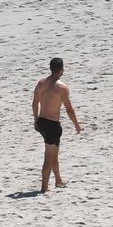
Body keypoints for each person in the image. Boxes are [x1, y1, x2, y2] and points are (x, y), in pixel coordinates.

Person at [33, 56, 82, 192]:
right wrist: (76, 124)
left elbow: (34, 103)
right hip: (52, 125)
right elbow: (69, 109)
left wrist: (36, 120)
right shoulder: (62, 87)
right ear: (62, 70)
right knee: (49, 157)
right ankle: (44, 187)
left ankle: (58, 180)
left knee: (54, 153)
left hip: (42, 122)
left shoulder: (41, 83)